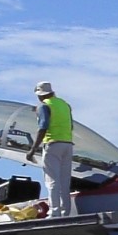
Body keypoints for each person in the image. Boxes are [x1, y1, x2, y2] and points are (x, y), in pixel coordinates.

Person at [25, 81, 75, 218]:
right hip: (68, 144)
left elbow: (43, 127)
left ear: (40, 95)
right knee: (65, 181)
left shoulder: (44, 106)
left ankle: (54, 212)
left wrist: (33, 149)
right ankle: (66, 213)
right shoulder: (64, 105)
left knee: (52, 180)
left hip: (52, 144)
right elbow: (70, 126)